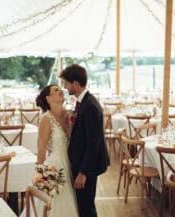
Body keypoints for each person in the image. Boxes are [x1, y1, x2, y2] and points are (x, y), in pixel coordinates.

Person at [20, 84, 79, 217]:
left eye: (60, 89)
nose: (61, 91)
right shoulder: (46, 119)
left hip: (72, 164)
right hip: (55, 167)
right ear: (48, 98)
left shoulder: (70, 115)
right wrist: (42, 176)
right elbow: (41, 150)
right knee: (52, 205)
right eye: (56, 90)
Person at [59, 64, 110, 217]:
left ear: (75, 83)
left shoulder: (90, 106)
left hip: (87, 166)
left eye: (66, 83)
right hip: (82, 162)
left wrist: (83, 173)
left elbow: (94, 143)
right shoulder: (83, 102)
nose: (65, 87)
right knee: (83, 205)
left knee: (86, 207)